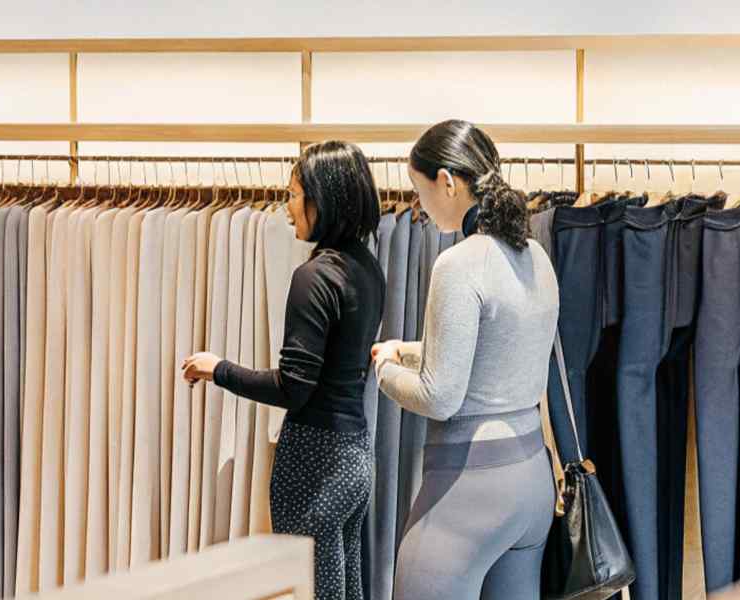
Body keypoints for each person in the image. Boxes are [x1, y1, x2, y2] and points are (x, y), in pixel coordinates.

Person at [180, 141, 385, 600]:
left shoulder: (315, 277)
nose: (287, 208)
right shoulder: (368, 268)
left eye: (294, 194)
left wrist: (219, 370)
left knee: (313, 590)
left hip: (314, 460)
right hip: (355, 455)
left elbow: (294, 387)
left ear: (321, 199)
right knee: (345, 590)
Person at [371, 119, 560, 599]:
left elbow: (440, 396)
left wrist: (385, 370)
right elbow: (496, 348)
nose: (419, 205)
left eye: (419, 189)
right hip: (531, 481)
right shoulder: (535, 255)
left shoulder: (458, 264)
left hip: (471, 487)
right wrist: (409, 351)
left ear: (448, 182)